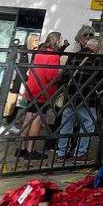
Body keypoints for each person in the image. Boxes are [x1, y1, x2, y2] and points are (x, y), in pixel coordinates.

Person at [18, 31, 65, 159]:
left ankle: (21, 148)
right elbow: (51, 76)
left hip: (32, 89)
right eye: (61, 39)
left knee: (28, 118)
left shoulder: (40, 52)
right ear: (57, 41)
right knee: (37, 120)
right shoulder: (54, 55)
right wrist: (60, 75)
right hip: (42, 91)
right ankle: (30, 150)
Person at [56, 37, 103, 159]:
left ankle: (62, 152)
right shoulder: (97, 59)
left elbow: (64, 75)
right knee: (88, 124)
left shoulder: (73, 56)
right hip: (88, 98)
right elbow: (102, 81)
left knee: (66, 123)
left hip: (70, 96)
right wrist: (100, 94)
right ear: (96, 48)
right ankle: (80, 152)